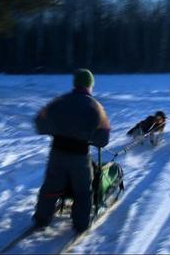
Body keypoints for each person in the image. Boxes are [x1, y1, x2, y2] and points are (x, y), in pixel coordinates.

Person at [33, 68, 110, 233]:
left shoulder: (59, 101)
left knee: (50, 188)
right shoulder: (96, 107)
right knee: (82, 191)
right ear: (90, 85)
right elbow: (103, 139)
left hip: (57, 153)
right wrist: (88, 136)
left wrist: (57, 129)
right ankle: (81, 224)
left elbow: (40, 121)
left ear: (75, 84)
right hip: (79, 157)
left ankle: (41, 218)